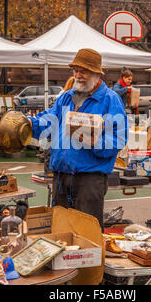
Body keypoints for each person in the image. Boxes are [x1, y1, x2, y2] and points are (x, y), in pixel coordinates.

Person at [29, 48, 128, 230]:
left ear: (97, 74)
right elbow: (49, 121)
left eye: (84, 71)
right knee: (61, 231)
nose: (78, 75)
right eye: (76, 70)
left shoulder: (110, 100)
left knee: (87, 234)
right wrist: (28, 125)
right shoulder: (66, 97)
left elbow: (119, 139)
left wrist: (95, 143)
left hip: (89, 180)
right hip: (61, 178)